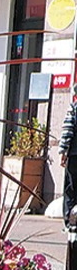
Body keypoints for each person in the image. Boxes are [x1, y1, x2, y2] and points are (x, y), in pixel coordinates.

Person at [60, 96, 77, 226]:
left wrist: (63, 151)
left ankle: (70, 221)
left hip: (74, 155)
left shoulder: (74, 108)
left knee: (71, 188)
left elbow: (68, 130)